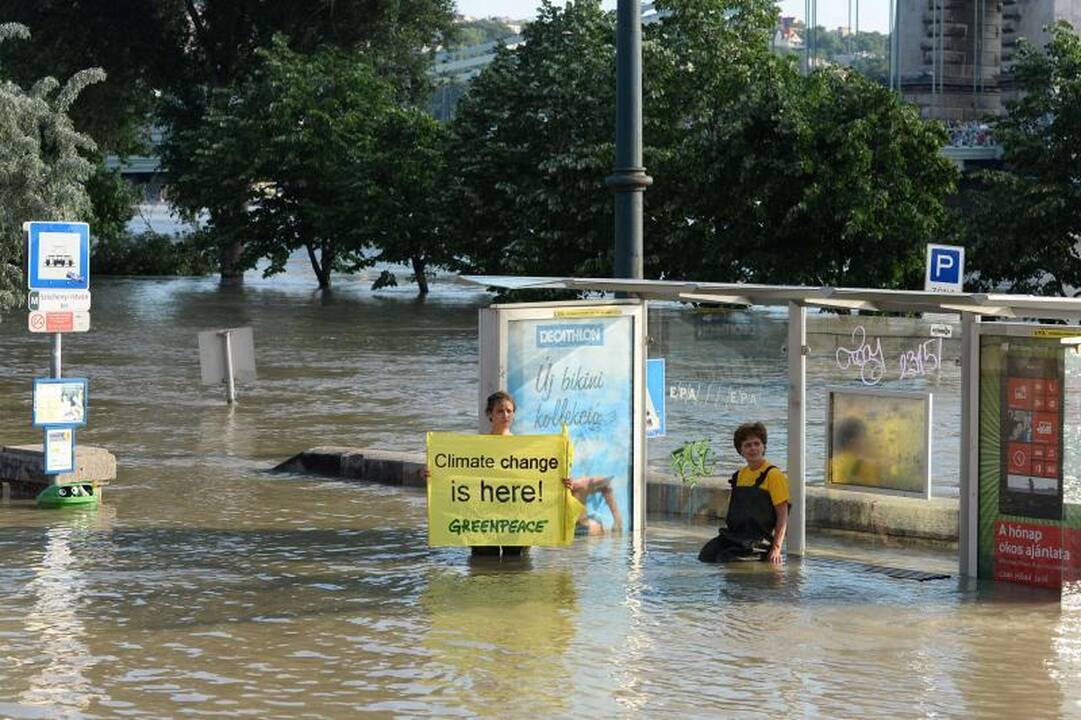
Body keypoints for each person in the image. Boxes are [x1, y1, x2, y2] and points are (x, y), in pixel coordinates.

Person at [698, 422, 790, 565]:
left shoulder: (774, 475)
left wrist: (776, 548)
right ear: (740, 450)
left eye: (756, 444)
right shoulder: (739, 476)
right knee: (707, 554)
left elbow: (782, 515)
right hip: (736, 536)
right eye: (748, 445)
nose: (753, 448)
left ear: (763, 447)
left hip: (759, 541)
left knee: (727, 559)